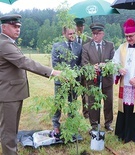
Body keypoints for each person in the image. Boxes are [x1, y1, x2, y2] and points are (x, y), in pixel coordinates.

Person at [0, 14, 61, 155]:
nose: (17, 29)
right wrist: (51, 71)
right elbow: (24, 62)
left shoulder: (8, 42)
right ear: (4, 27)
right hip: (8, 94)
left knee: (12, 129)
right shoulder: (4, 44)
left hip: (12, 93)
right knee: (8, 131)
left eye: (19, 27)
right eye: (14, 26)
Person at [81, 23, 115, 132]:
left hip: (107, 79)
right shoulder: (86, 47)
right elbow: (84, 64)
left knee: (108, 102)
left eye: (98, 33)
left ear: (103, 34)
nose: (95, 36)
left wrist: (107, 65)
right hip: (92, 80)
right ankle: (94, 125)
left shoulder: (110, 45)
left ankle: (108, 123)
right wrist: (92, 67)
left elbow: (114, 62)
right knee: (92, 103)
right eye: (94, 33)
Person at [50, 26, 82, 138]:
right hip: (61, 81)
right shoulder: (57, 46)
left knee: (72, 104)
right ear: (64, 33)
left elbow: (80, 63)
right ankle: (55, 125)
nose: (72, 36)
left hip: (73, 81)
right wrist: (64, 75)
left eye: (73, 33)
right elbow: (55, 64)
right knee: (58, 104)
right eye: (69, 34)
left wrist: (73, 76)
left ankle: (71, 126)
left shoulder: (79, 47)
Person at [74, 18, 91, 119]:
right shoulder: (71, 39)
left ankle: (87, 113)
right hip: (75, 72)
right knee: (74, 93)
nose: (79, 28)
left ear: (84, 27)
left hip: (85, 71)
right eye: (78, 26)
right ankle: (73, 113)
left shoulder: (89, 40)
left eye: (81, 26)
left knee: (86, 93)